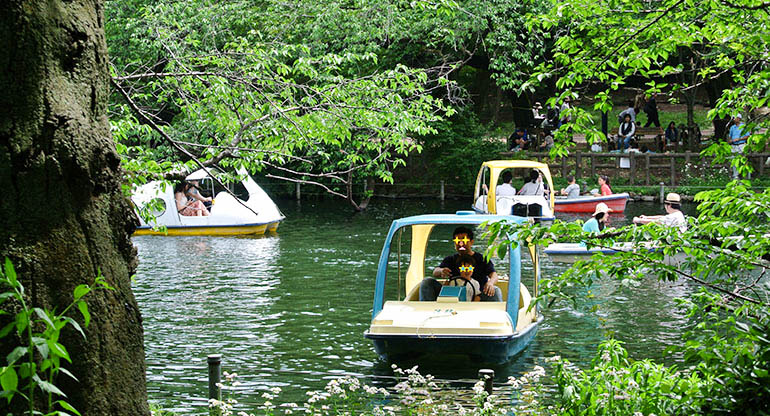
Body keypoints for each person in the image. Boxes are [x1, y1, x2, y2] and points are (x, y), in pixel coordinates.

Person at [419, 227, 502, 302]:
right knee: (427, 282)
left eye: (464, 241)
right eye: (458, 241)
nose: (461, 244)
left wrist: (490, 283)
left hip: (477, 296)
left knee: (495, 290)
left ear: (471, 242)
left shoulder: (482, 259)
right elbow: (435, 272)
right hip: (452, 295)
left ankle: (498, 317)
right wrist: (441, 271)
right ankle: (426, 310)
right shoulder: (450, 259)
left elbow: (494, 275)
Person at [728, 114, 750, 179]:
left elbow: (747, 136)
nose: (734, 119)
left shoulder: (743, 126)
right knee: (734, 160)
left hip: (741, 145)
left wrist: (739, 139)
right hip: (734, 146)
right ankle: (735, 175)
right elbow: (730, 136)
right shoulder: (732, 127)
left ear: (739, 118)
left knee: (743, 160)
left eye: (735, 118)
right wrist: (730, 140)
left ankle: (745, 175)